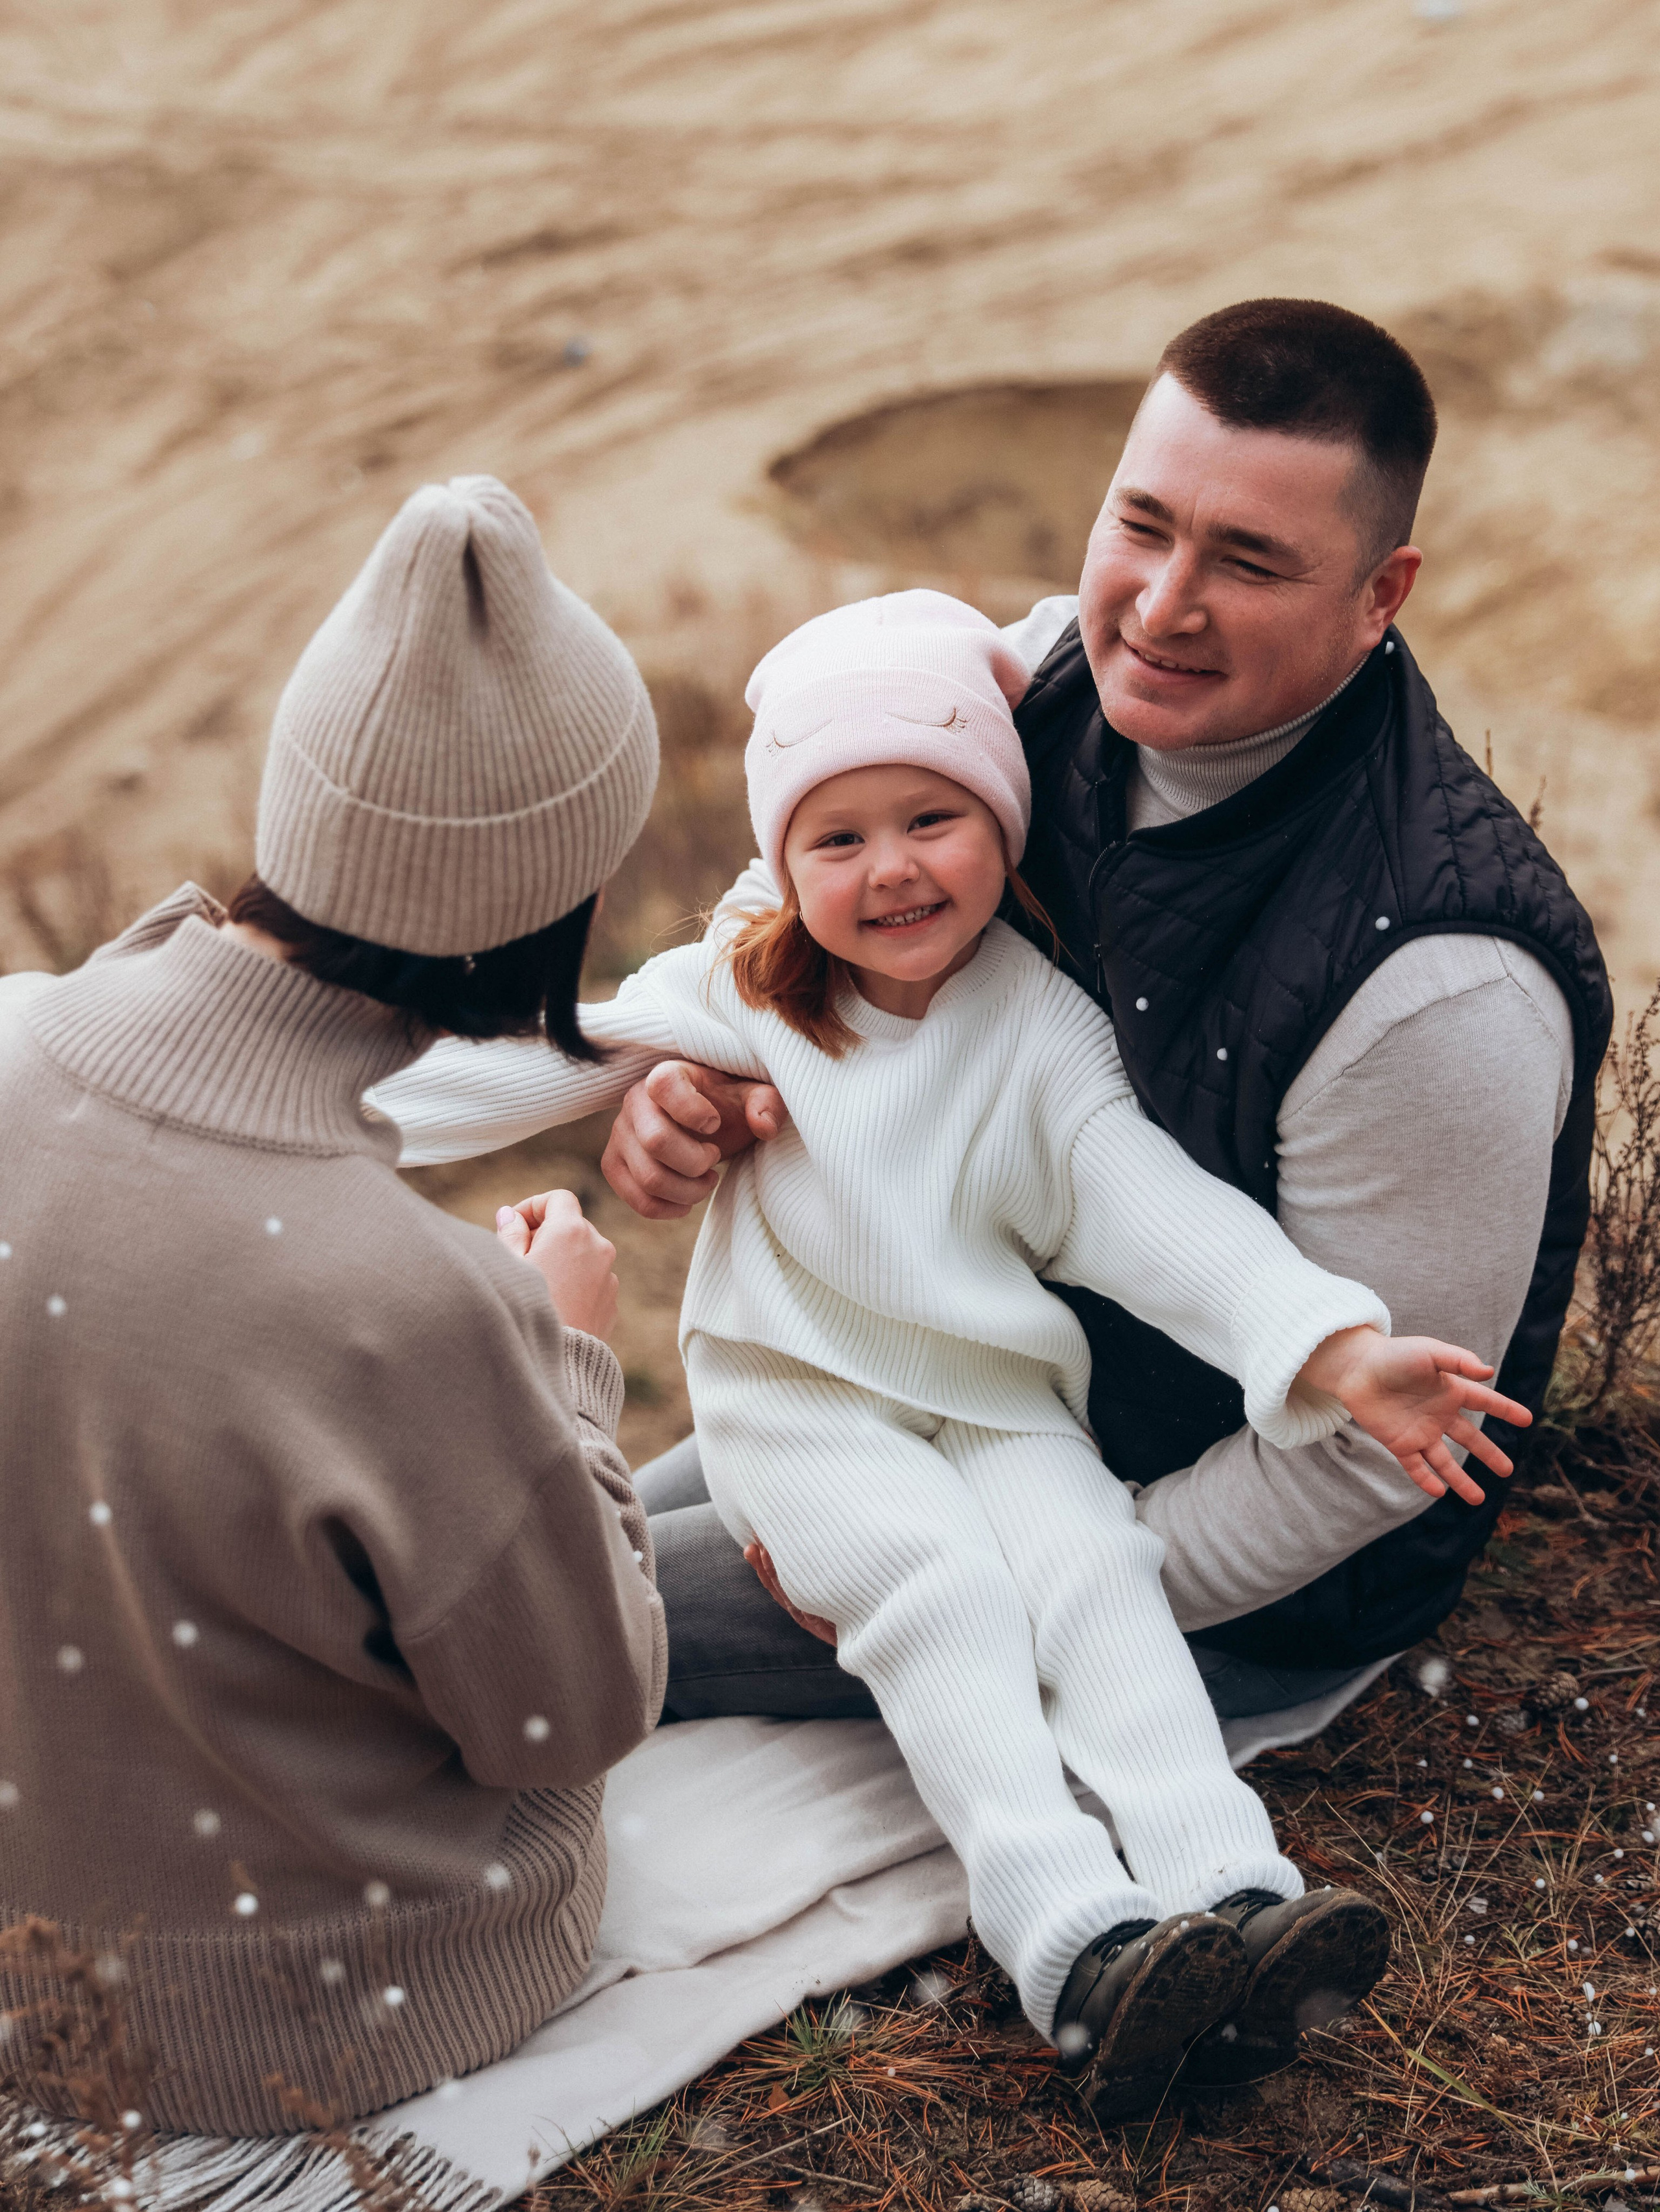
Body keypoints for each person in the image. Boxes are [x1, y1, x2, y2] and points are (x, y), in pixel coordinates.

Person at [374, 586, 1530, 2112]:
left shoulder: (1039, 1025)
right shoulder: (746, 990)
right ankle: (1071, 1935)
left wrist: (1328, 1346)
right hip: (805, 1407)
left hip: (998, 1399)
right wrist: (305, 1103)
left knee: (1092, 1572)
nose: (892, 868)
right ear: (783, 862)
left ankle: (1235, 1892)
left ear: (1002, 818)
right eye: (836, 838)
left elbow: (1152, 1211)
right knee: (941, 1594)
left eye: (933, 816)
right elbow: (541, 1056)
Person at [593, 298, 1614, 1727]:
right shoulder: (1037, 669)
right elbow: (782, 892)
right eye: (1141, 523)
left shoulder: (1438, 985)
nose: (1157, 604)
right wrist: (692, 1074)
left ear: (1380, 593)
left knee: (553, 1628)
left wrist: (1042, 1582)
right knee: (557, 1543)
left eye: (1246, 561)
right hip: (957, 1363)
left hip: (1191, 1566)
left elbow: (1357, 1461)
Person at [0, 477, 664, 2137]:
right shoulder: (414, 1307)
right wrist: (567, 1360)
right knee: (753, 1530)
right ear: (546, 902)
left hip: (19, 1940)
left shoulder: (12, 1038)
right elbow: (570, 1710)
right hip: (313, 2011)